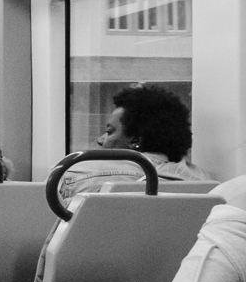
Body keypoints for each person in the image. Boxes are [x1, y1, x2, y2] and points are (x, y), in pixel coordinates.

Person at [59, 83, 212, 199]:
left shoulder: (78, 172)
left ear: (135, 141)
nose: (100, 139)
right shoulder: (206, 183)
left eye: (109, 132)